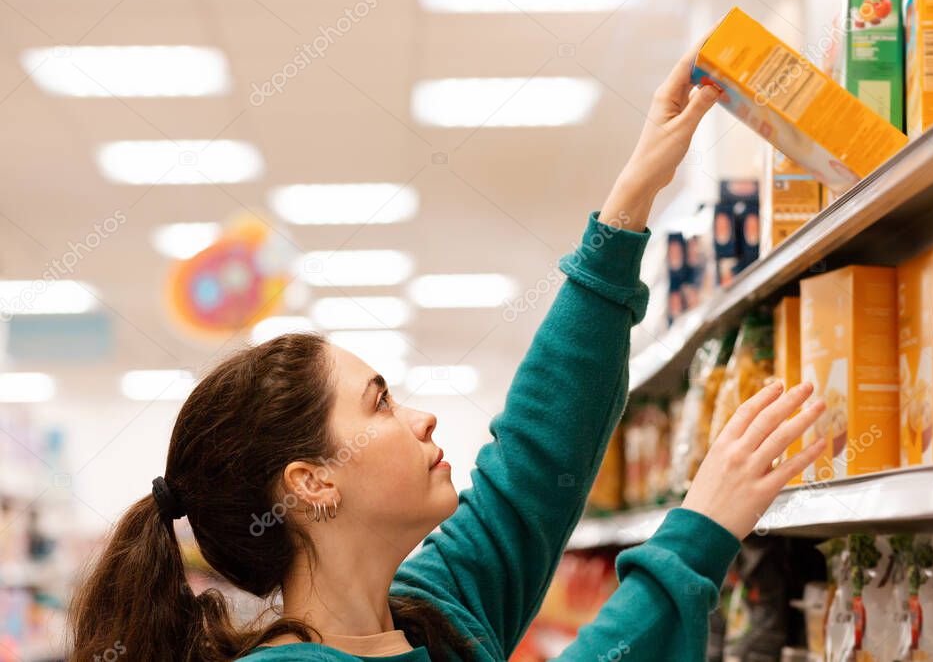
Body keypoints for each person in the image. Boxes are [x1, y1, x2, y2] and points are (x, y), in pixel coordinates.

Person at [69, 42, 826, 662]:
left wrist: (627, 207)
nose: (422, 417)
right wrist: (698, 532)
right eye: (380, 402)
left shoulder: (431, 610)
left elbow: (530, 470)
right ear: (312, 482)